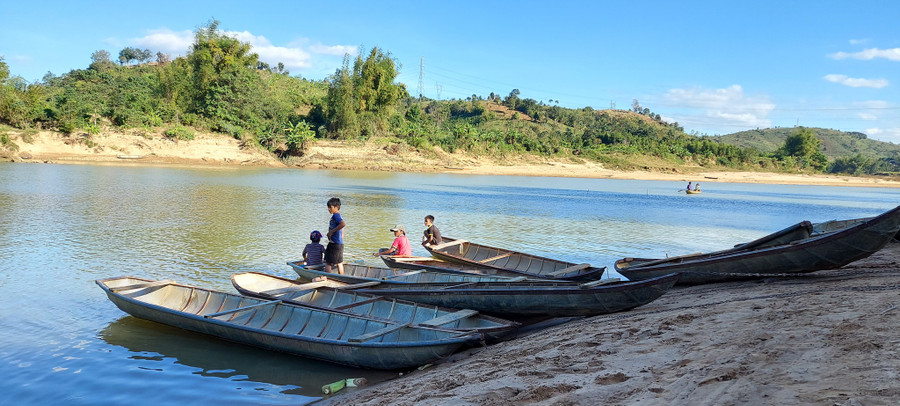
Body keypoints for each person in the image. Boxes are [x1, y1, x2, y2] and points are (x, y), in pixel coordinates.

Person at [324, 197, 345, 275]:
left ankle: (328, 277)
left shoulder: (336, 215)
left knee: (328, 262)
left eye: (331, 207)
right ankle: (342, 278)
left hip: (334, 244)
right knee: (339, 263)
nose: (329, 209)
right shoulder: (339, 216)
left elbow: (343, 224)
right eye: (328, 207)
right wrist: (341, 238)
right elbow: (342, 228)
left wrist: (331, 232)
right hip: (339, 243)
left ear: (336, 207)